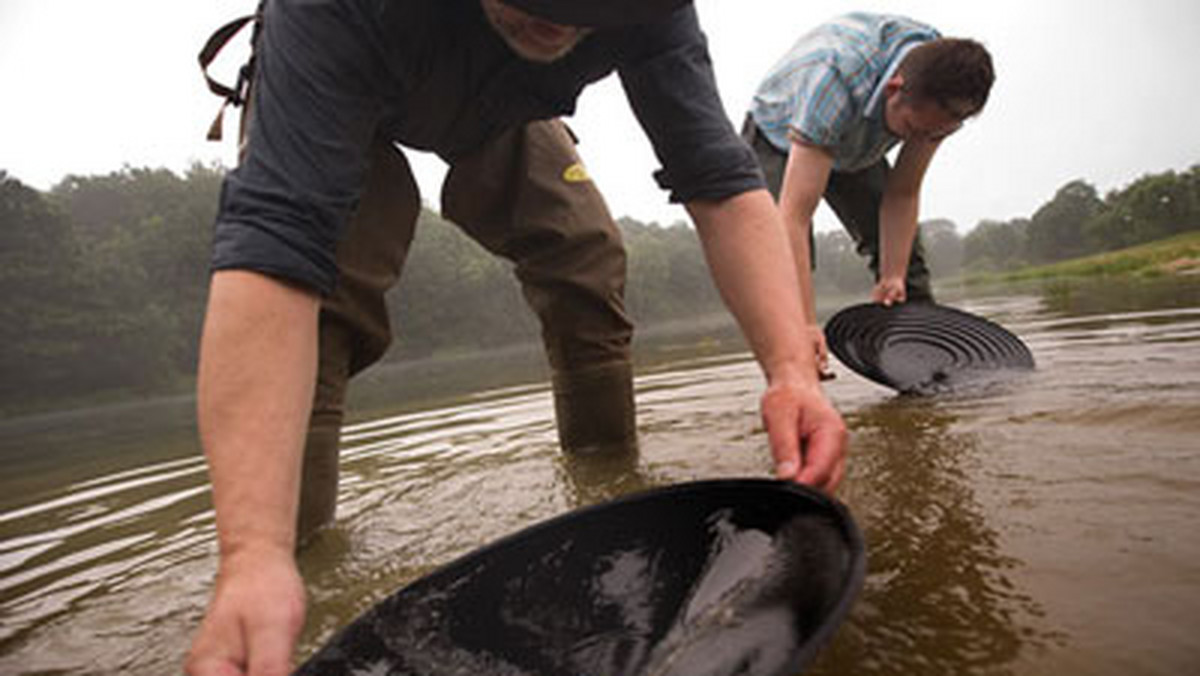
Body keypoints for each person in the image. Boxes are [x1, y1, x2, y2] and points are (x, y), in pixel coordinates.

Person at [185, 1, 847, 674]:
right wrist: (252, 553)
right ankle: (290, 560)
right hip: (355, 93)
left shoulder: (649, 10)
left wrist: (790, 370)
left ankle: (608, 492)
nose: (558, 22)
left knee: (584, 255)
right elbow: (276, 249)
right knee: (329, 301)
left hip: (498, 106)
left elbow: (719, 180)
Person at [742, 12, 994, 371]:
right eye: (911, 129)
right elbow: (794, 218)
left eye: (934, 135)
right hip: (779, 135)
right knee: (779, 267)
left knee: (907, 266)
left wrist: (892, 275)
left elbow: (903, 193)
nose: (917, 142)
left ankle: (928, 376)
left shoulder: (941, 84)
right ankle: (796, 377)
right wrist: (805, 323)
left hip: (859, 142)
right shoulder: (835, 80)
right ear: (894, 89)